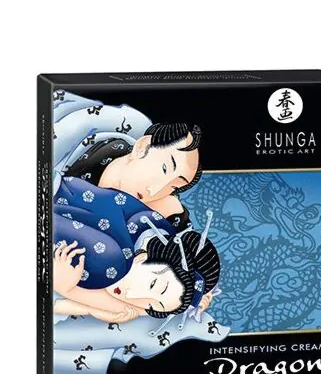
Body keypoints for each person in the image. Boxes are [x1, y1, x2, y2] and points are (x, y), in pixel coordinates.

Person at [52, 177, 219, 325]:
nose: (132, 297)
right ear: (142, 257)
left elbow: (128, 307)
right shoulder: (111, 262)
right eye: (153, 284)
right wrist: (67, 290)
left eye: (150, 306)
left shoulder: (154, 224)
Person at [64, 122, 202, 229]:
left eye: (173, 187)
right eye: (164, 169)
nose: (154, 191)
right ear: (143, 147)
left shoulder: (166, 212)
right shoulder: (89, 159)